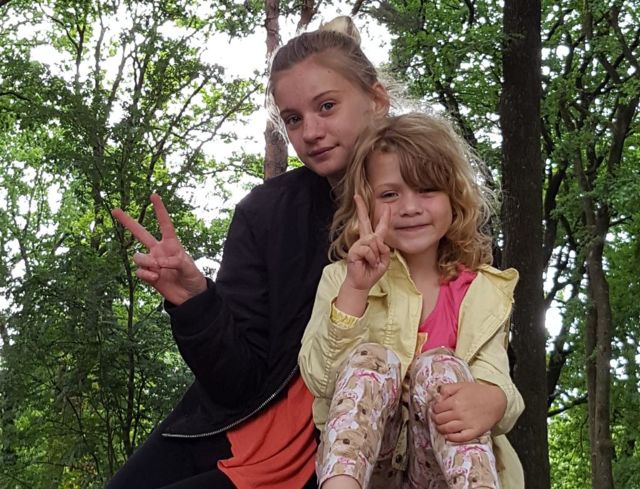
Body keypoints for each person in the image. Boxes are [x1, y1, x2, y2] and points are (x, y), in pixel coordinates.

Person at [106, 16, 391, 489]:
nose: (311, 131)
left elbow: (472, 321)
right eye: (293, 118)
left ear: (376, 100)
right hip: (248, 423)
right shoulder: (267, 212)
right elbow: (240, 381)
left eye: (326, 106)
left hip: (347, 437)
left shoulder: (428, 201)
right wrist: (195, 301)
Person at [298, 113, 525, 489]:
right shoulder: (342, 279)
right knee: (372, 359)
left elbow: (495, 376)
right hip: (369, 469)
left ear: (454, 197)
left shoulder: (482, 290)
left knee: (441, 367)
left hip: (442, 469)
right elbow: (321, 380)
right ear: (365, 205)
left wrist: (495, 399)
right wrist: (355, 291)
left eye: (427, 190)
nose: (409, 207)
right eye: (390, 194)